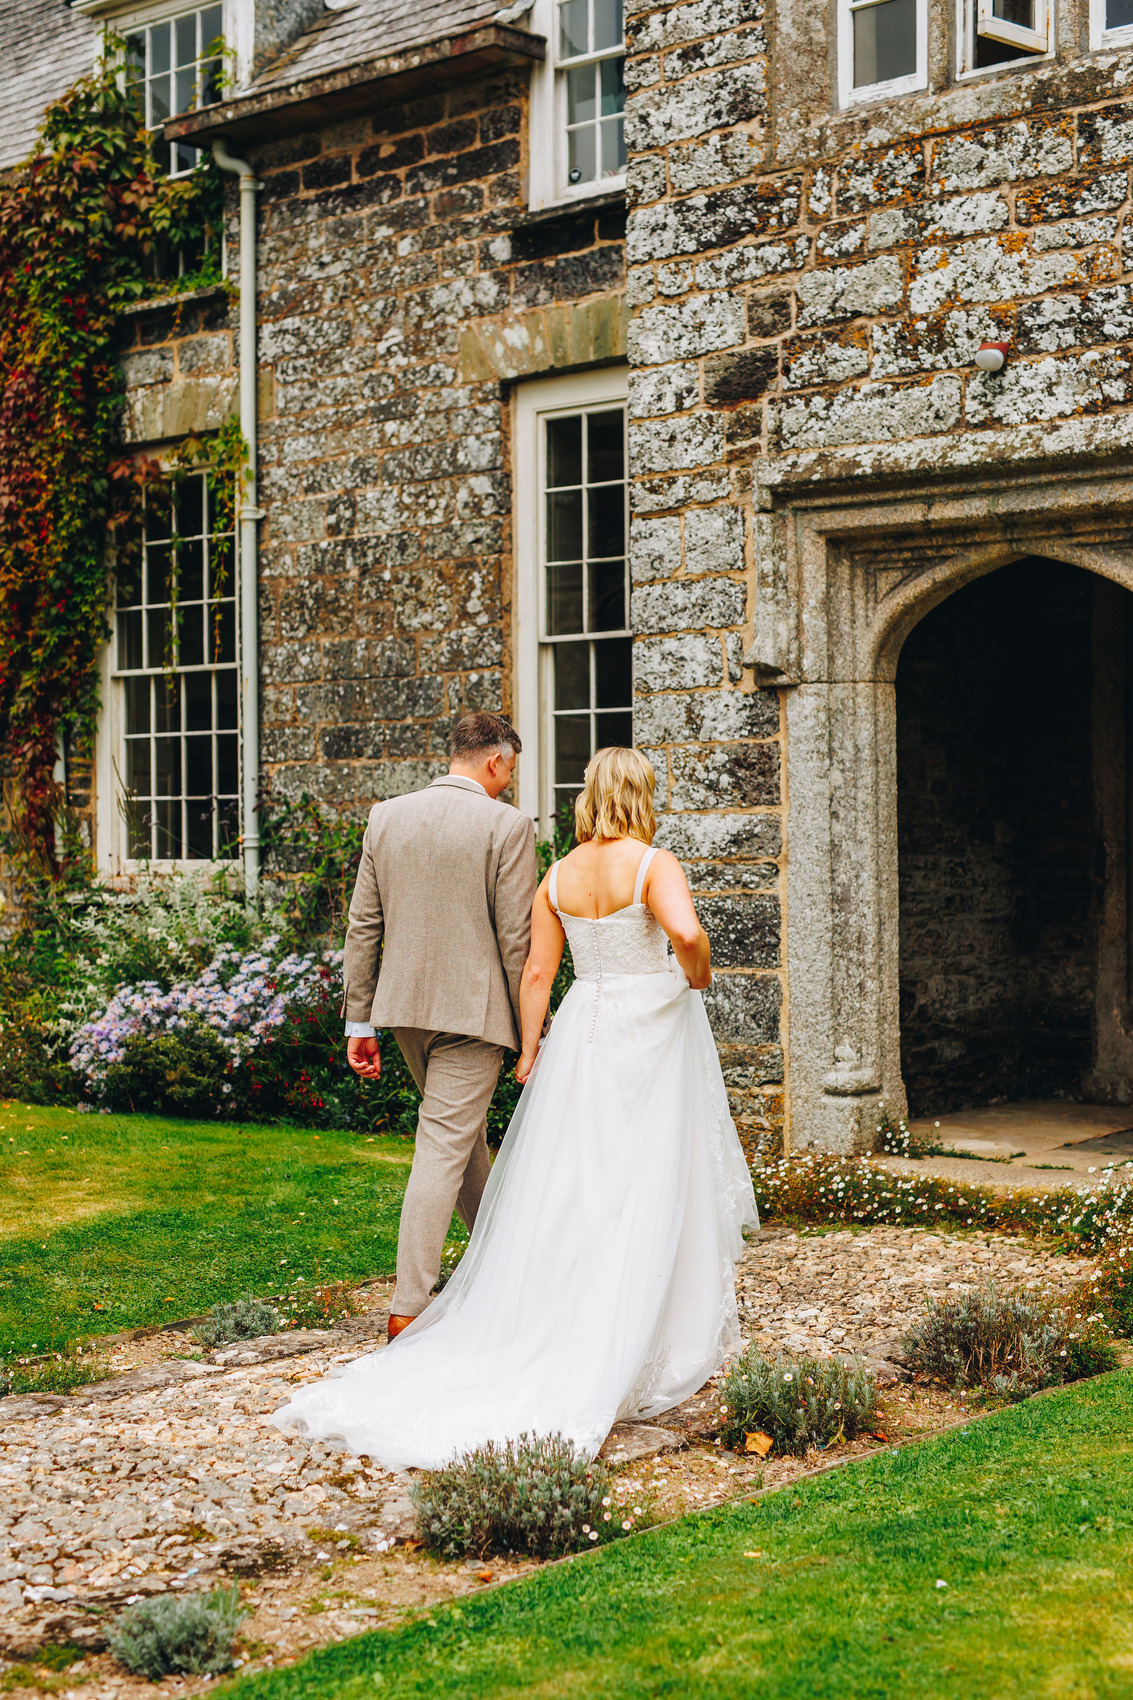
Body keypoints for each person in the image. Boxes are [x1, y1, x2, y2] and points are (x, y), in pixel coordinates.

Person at [272, 746, 759, 1468]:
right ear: (641, 795)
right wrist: (695, 976)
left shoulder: (559, 874)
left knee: (574, 1173)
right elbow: (685, 935)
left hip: (582, 1029)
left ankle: (549, 1302)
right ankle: (642, 1324)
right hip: (649, 1027)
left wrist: (530, 1049)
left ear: (589, 797)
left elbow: (537, 970)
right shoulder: (654, 863)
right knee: (651, 1167)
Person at [338, 711, 538, 1340]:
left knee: (461, 1141)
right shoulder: (508, 826)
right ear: (496, 761)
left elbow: (362, 926)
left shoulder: (386, 816)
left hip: (404, 1013)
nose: (509, 780)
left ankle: (503, 1270)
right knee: (442, 1147)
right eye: (511, 769)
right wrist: (532, 1027)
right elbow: (516, 940)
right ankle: (409, 1307)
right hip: (473, 1017)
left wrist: (359, 1022)